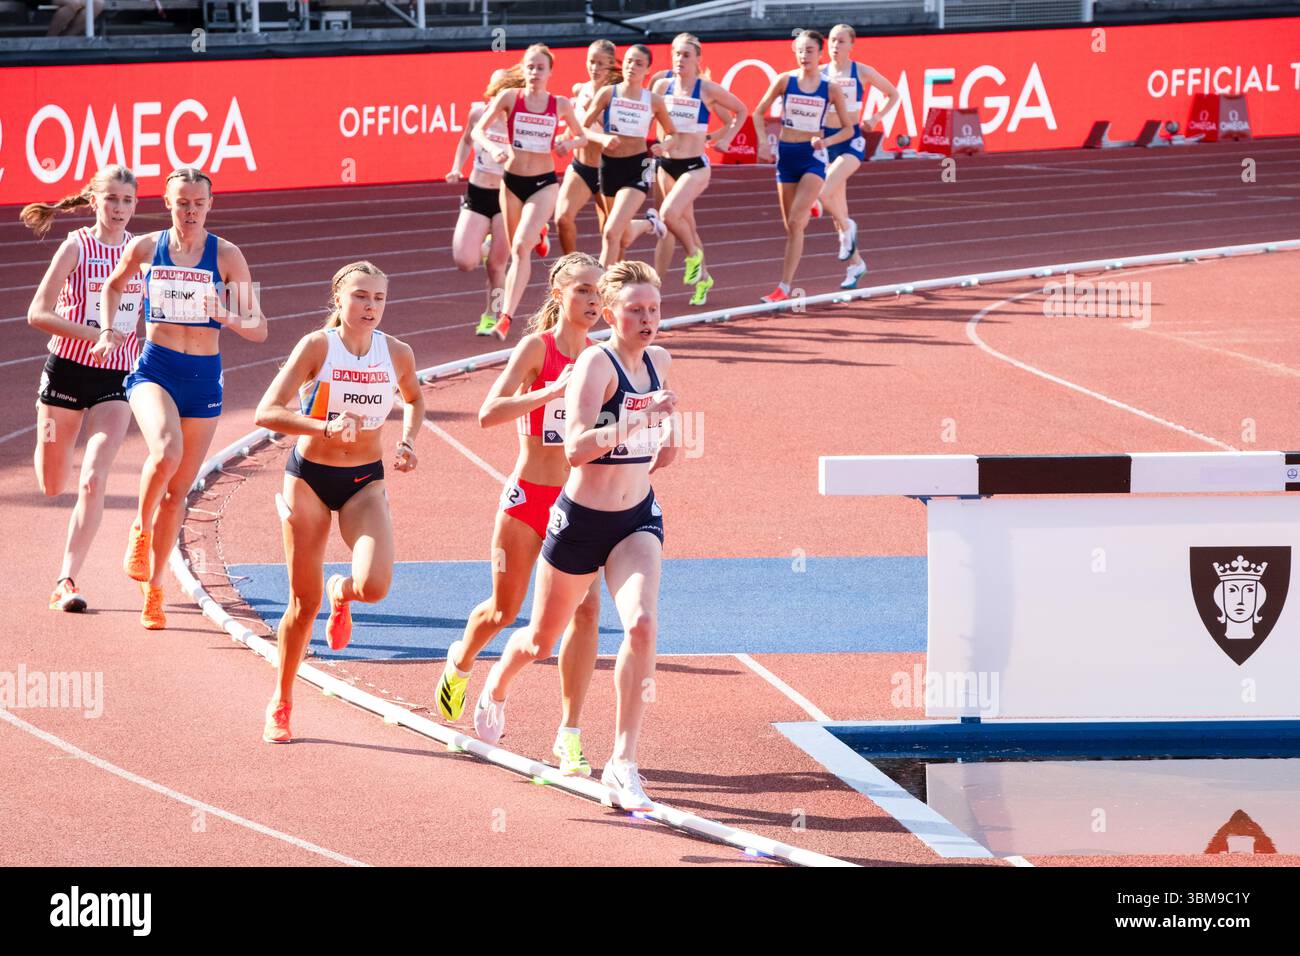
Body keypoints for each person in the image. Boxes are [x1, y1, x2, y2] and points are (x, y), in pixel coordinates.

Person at [475, 261, 680, 812]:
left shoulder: (660, 361)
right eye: (635, 309)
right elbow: (575, 448)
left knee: (640, 624)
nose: (647, 319)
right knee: (542, 640)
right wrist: (638, 422)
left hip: (637, 518)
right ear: (612, 314)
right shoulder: (595, 361)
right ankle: (496, 684)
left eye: (654, 309)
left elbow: (668, 449)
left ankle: (623, 761)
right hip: (580, 521)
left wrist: (664, 437)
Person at [434, 252, 605, 775]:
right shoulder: (538, 348)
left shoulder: (602, 358)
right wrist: (550, 392)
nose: (593, 302)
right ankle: (460, 662)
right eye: (582, 291)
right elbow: (488, 414)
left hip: (579, 503)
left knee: (586, 612)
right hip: (528, 496)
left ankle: (570, 732)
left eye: (599, 293)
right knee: (505, 611)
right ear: (558, 295)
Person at [253, 261, 424, 744]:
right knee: (302, 605)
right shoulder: (316, 347)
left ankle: (342, 594)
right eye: (360, 297)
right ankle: (282, 701)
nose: (370, 307)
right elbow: (268, 412)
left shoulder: (397, 353)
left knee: (374, 586)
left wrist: (408, 441)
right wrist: (323, 426)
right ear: (339, 299)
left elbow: (414, 398)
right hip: (308, 478)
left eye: (378, 299)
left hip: (364, 480)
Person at [95, 167, 268, 629]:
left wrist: (225, 314)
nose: (190, 211)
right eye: (182, 202)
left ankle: (153, 587)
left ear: (210, 205)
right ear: (167, 202)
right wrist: (111, 328)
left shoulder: (228, 256)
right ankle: (139, 527)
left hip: (204, 379)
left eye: (198, 203)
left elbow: (260, 327)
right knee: (166, 449)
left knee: (178, 495)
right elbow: (113, 286)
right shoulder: (146, 247)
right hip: (156, 368)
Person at [22, 165, 143, 613]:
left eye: (127, 200)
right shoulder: (77, 246)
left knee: (93, 477)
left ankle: (66, 580)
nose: (119, 209)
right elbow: (38, 312)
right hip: (67, 373)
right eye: (111, 199)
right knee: (53, 483)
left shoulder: (143, 251)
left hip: (118, 377)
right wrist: (96, 334)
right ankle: (46, 429)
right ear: (93, 201)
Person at [473, 44, 587, 342]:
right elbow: (478, 132)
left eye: (540, 68)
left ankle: (506, 317)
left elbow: (582, 136)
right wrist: (495, 147)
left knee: (521, 247)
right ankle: (539, 233)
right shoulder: (510, 97)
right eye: (530, 67)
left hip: (543, 183)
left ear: (550, 72)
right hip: (511, 182)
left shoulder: (559, 104)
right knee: (516, 249)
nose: (535, 73)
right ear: (523, 70)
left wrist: (568, 145)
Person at [752, 30, 854, 303]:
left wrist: (826, 141)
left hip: (813, 157)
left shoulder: (830, 88)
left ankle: (783, 287)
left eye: (810, 51)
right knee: (792, 227)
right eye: (800, 50)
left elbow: (848, 129)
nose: (804, 55)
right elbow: (758, 112)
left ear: (819, 54)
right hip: (786, 156)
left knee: (797, 219)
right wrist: (763, 142)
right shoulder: (784, 81)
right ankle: (785, 285)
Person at [650, 33, 748, 307]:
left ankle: (692, 257)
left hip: (694, 166)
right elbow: (653, 118)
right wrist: (662, 143)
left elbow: (740, 111)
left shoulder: (707, 89)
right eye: (676, 55)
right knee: (688, 226)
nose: (680, 60)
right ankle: (703, 280)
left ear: (697, 60)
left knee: (669, 215)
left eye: (686, 55)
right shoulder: (662, 85)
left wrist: (724, 138)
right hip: (666, 165)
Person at [819, 23, 901, 289]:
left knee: (822, 192)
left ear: (852, 45)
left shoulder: (862, 72)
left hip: (851, 141)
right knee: (835, 206)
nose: (835, 46)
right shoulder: (820, 74)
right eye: (832, 40)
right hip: (826, 143)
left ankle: (848, 227)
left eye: (841, 41)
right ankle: (856, 264)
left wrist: (875, 117)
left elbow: (893, 93)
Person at [581, 45, 679, 266]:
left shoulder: (653, 100)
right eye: (628, 61)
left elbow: (674, 134)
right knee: (621, 235)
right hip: (609, 165)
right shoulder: (608, 93)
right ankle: (648, 224)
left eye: (638, 63)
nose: (631, 67)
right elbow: (583, 128)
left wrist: (664, 146)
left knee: (610, 232)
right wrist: (603, 139)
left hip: (640, 165)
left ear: (647, 70)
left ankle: (602, 289)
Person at [447, 68, 522, 337]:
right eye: (492, 89)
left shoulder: (518, 121)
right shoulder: (479, 113)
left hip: (506, 198)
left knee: (496, 266)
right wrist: (457, 166)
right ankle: (486, 245)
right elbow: (466, 140)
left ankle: (492, 316)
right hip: (478, 193)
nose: (494, 96)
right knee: (465, 260)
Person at [556, 40, 621, 257]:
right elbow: (575, 126)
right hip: (581, 168)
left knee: (611, 233)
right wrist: (564, 137)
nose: (594, 68)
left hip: (608, 171)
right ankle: (571, 268)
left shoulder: (616, 95)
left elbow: (617, 136)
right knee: (562, 218)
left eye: (601, 63)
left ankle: (616, 281)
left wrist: (597, 112)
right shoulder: (580, 89)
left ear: (611, 65)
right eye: (591, 62)